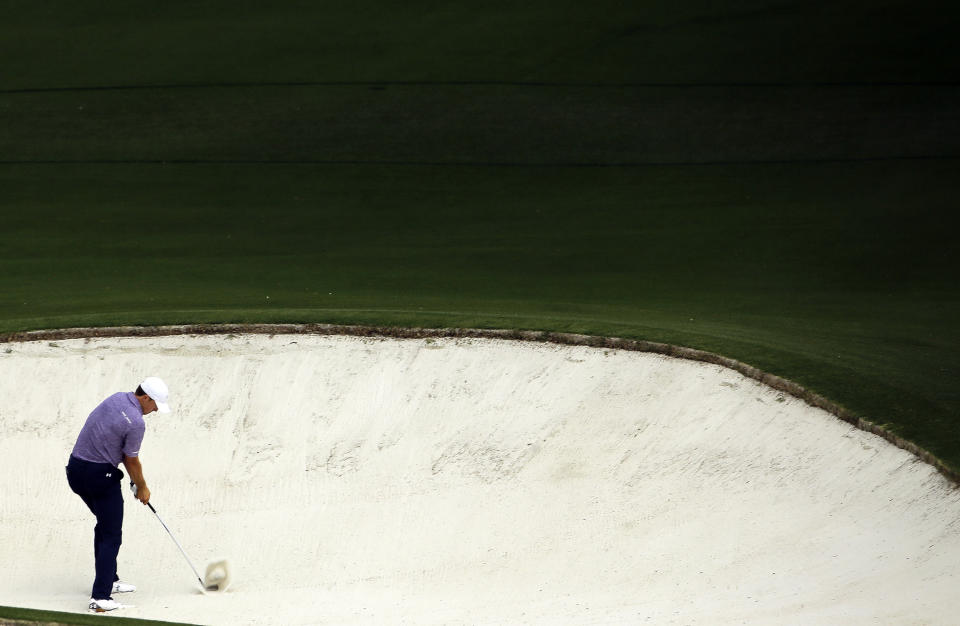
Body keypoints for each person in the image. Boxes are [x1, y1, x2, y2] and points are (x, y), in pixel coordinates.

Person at [66, 377, 171, 613]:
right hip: (99, 476)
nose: (154, 410)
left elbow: (115, 446)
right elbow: (131, 459)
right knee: (112, 534)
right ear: (145, 398)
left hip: (75, 470)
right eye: (154, 405)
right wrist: (142, 487)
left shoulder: (116, 398)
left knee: (104, 527)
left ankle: (109, 579)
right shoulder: (136, 422)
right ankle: (100, 599)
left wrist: (134, 482)